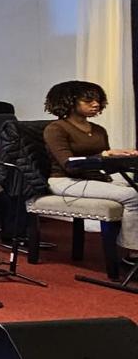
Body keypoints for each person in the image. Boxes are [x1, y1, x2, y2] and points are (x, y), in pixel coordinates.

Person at [42, 80, 138, 258]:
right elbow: (69, 165)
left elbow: (104, 164)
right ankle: (134, 251)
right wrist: (104, 156)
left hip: (94, 177)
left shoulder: (99, 130)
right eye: (88, 100)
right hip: (64, 180)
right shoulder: (55, 129)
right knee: (132, 195)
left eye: (98, 100)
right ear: (69, 102)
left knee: (134, 187)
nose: (96, 104)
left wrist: (122, 157)